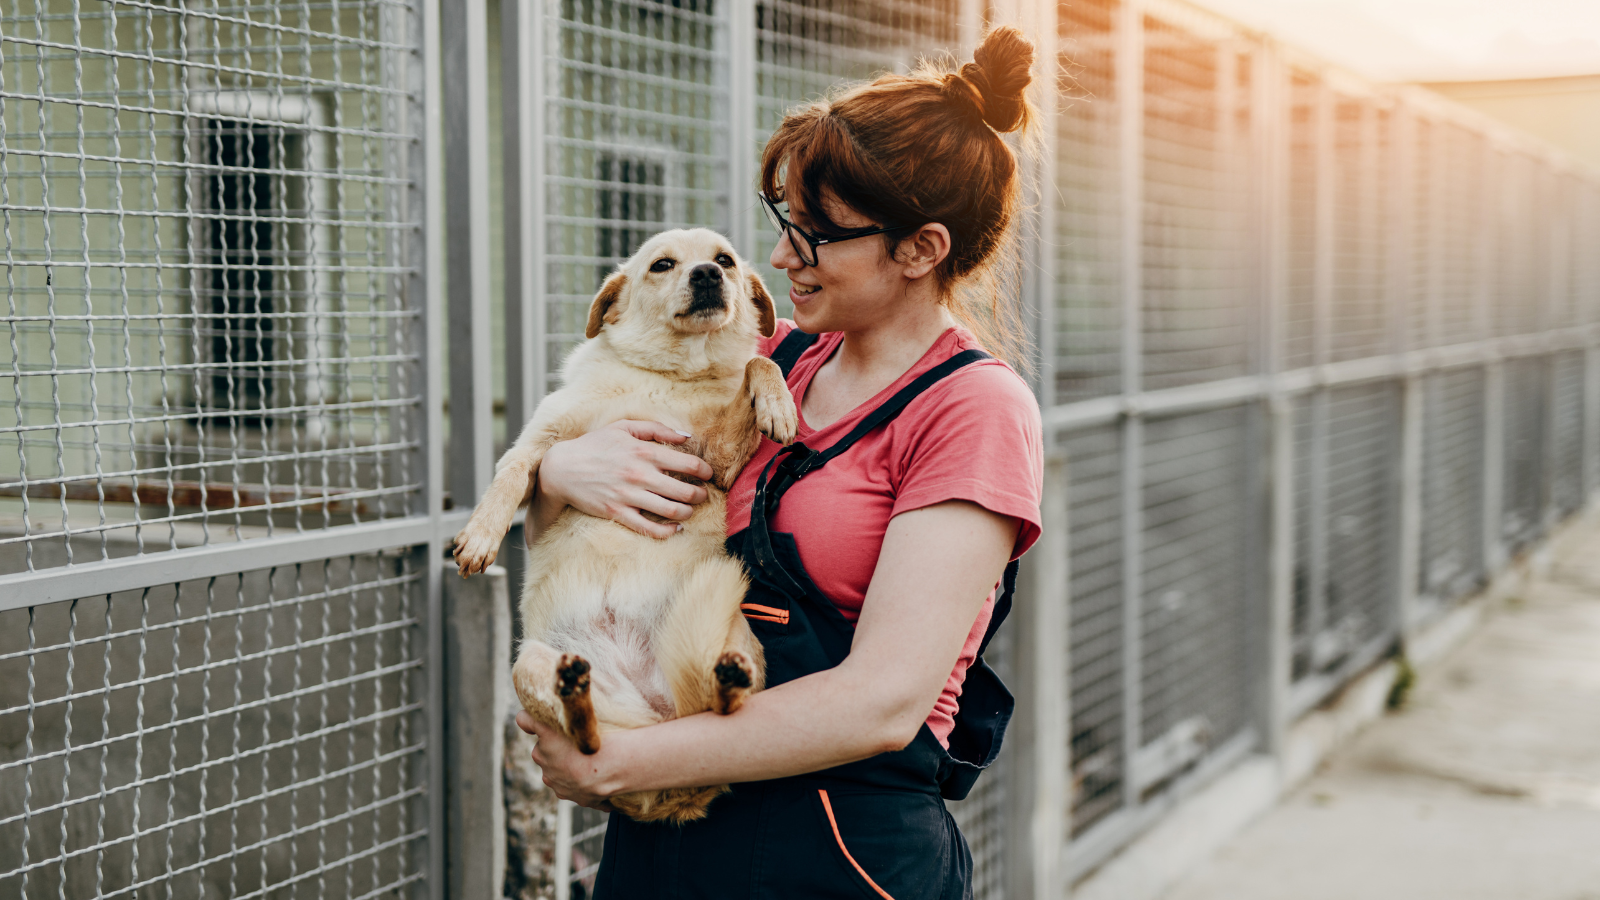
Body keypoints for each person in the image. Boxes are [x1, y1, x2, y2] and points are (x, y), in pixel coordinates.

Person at [517, 27, 1045, 899]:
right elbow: (584, 533)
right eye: (784, 222)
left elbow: (881, 702)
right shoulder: (776, 362)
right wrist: (558, 475)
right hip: (673, 827)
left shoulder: (973, 410)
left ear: (921, 250)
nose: (780, 256)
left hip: (835, 845)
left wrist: (624, 762)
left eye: (818, 233)